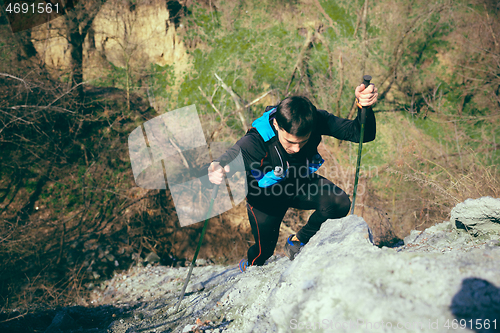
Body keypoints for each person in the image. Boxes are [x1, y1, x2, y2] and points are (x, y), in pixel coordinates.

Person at [206, 83, 378, 272]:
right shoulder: (255, 141)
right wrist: (217, 167)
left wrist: (365, 108)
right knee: (264, 253)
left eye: (302, 142)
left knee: (339, 202)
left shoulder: (315, 120)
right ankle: (249, 267)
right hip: (264, 198)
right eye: (290, 142)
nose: (296, 149)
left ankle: (297, 241)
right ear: (276, 125)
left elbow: (361, 134)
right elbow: (230, 157)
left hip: (298, 184)